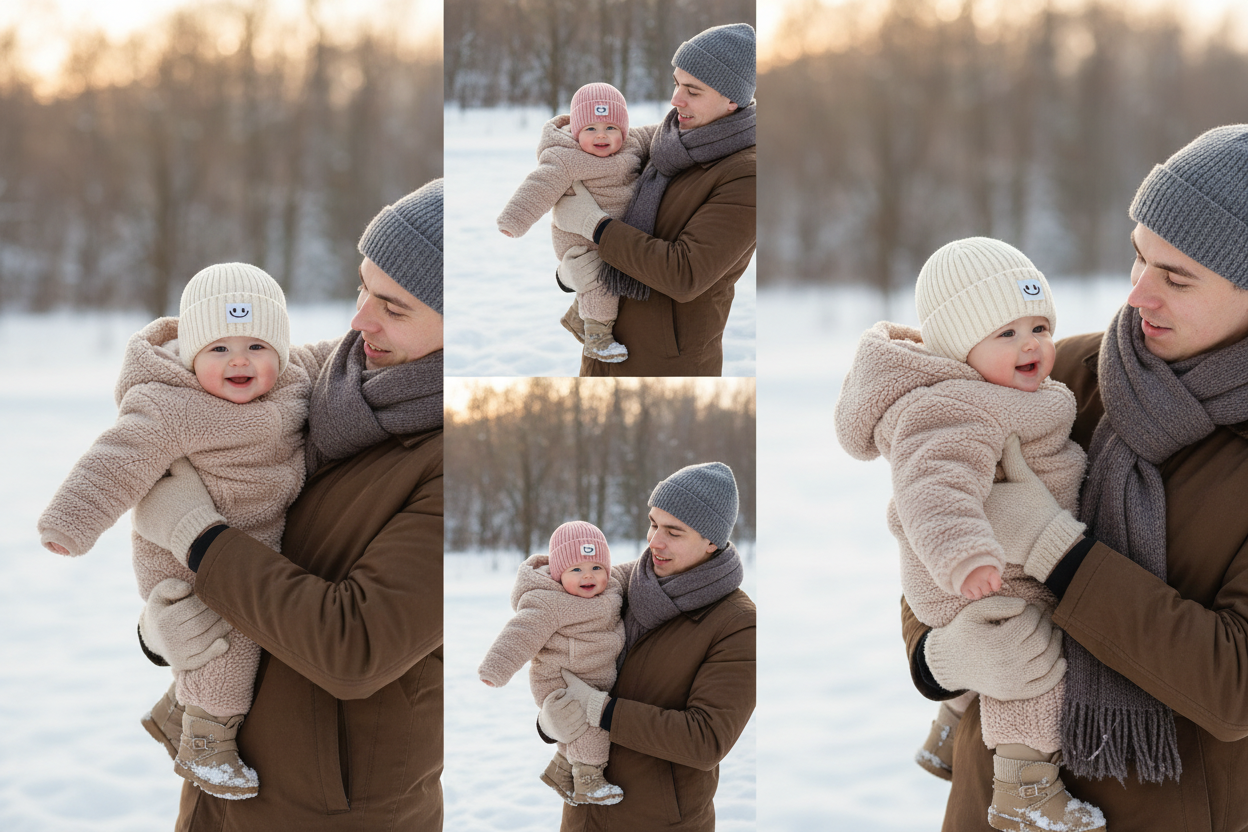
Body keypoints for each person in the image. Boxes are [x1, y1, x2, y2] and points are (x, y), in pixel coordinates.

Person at [903, 124, 1248, 830]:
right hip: (994, 801)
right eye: (1138, 259)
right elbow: (930, 515)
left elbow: (1233, 686)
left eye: (1176, 277)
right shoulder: (1060, 375)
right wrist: (938, 656)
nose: (1139, 294)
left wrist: (1056, 548)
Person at [130, 178, 445, 830]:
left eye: (394, 306)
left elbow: (354, 648)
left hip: (331, 810)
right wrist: (162, 632)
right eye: (362, 286)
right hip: (224, 770)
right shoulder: (318, 382)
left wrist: (199, 536)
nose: (360, 319)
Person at [835, 238, 1103, 831]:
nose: (1030, 344)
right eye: (1005, 334)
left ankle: (950, 727)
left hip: (989, 565)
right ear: (959, 348)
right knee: (1031, 662)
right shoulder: (955, 406)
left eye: (1039, 326)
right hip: (980, 575)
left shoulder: (1007, 393)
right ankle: (1025, 791)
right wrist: (968, 555)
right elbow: (934, 488)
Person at [37, 262, 328, 799]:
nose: (239, 360)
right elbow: (115, 461)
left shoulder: (296, 381)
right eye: (218, 349)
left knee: (249, 632)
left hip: (251, 548)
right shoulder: (172, 405)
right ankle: (205, 744)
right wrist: (70, 523)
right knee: (227, 645)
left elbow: (339, 350)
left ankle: (175, 713)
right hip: (186, 558)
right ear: (191, 354)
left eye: (257, 346)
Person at [537, 462, 755, 832]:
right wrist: (548, 722)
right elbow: (564, 665)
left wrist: (601, 710)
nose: (654, 541)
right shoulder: (610, 588)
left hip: (658, 821)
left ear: (711, 541)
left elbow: (706, 740)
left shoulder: (736, 623)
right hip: (584, 811)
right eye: (653, 523)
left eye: (674, 531)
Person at [551, 23, 757, 377]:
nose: (676, 99)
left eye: (693, 90)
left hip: (665, 364)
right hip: (604, 347)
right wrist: (568, 275)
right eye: (677, 83)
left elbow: (685, 274)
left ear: (731, 99)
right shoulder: (661, 144)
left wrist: (596, 226)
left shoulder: (745, 175)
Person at [479, 521, 626, 806]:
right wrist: (496, 668)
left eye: (597, 567)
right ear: (559, 575)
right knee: (591, 727)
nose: (588, 576)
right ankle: (588, 780)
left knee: (582, 727)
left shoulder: (614, 589)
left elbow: (631, 569)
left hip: (593, 676)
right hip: (561, 680)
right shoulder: (550, 602)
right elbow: (520, 634)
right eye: (576, 569)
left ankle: (560, 772)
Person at [497, 83, 646, 363]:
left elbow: (659, 133)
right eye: (590, 128)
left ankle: (578, 317)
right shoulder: (565, 157)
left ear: (624, 130)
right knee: (601, 280)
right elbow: (538, 186)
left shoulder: (634, 144)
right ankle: (597, 338)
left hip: (614, 232)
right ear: (576, 131)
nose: (601, 135)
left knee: (607, 275)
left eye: (611, 127)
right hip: (579, 238)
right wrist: (514, 220)